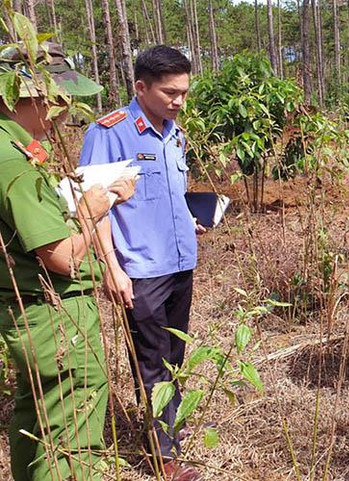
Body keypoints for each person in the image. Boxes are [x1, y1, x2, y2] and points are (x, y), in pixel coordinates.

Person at [0, 42, 134, 480]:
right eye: (57, 98)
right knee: (72, 437)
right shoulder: (9, 157)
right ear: (19, 95)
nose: (63, 111)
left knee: (36, 420)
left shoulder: (16, 146)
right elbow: (60, 256)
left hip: (28, 311)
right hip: (52, 313)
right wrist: (97, 205)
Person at [78, 45, 204, 481]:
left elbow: (171, 195)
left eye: (184, 92)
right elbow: (92, 208)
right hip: (141, 269)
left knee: (174, 359)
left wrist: (190, 219)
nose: (179, 101)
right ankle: (164, 455)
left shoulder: (175, 134)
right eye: (170, 92)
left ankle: (170, 431)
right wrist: (112, 267)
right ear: (140, 87)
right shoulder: (109, 133)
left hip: (180, 262)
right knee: (151, 362)